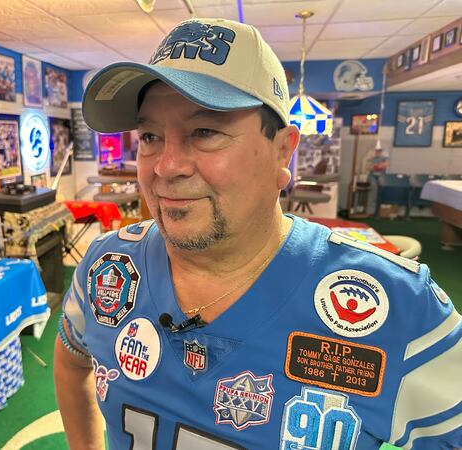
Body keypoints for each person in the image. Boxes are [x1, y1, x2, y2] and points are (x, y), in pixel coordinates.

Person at [54, 18, 461, 450]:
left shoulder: (400, 308)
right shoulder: (107, 266)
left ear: (283, 150)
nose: (165, 166)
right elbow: (71, 359)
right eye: (150, 135)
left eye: (205, 131)